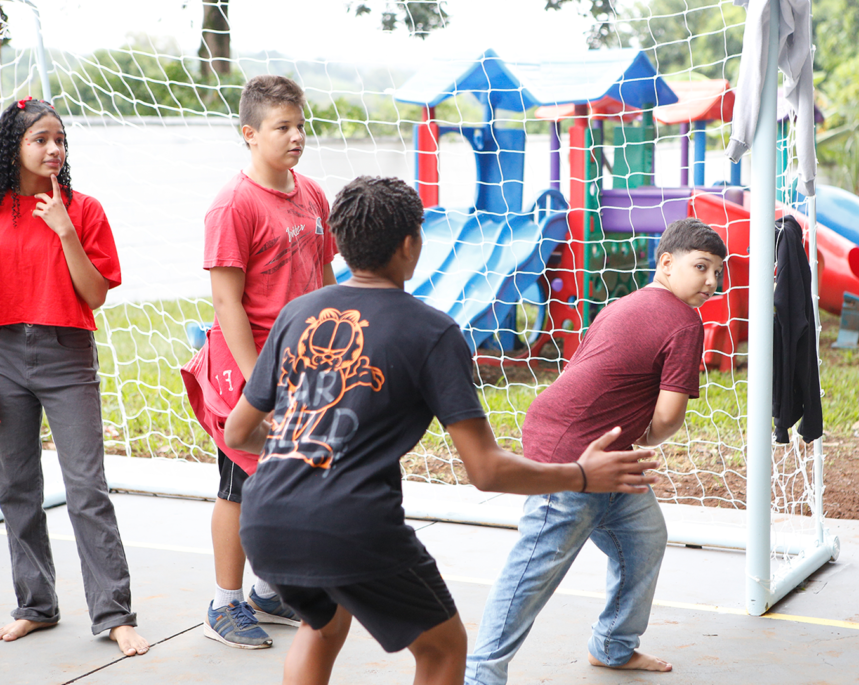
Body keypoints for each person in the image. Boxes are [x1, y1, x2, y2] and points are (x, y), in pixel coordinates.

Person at [221, 175, 659, 685]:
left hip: (266, 518)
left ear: (339, 243)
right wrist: (580, 475)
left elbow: (238, 433)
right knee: (444, 648)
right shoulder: (431, 331)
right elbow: (486, 471)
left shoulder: (297, 313)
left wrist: (307, 444)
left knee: (322, 624)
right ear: (411, 244)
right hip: (350, 524)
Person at [465, 217, 727, 684]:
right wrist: (647, 438)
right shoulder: (686, 322)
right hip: (572, 453)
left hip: (597, 449)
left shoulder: (623, 304)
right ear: (667, 263)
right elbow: (669, 417)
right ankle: (479, 675)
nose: (711, 281)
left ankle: (612, 646)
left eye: (717, 273)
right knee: (533, 570)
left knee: (644, 537)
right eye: (702, 267)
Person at [181, 75, 337, 649]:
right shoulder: (233, 204)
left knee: (288, 481)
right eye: (282, 127)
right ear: (249, 134)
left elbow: (324, 275)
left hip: (305, 369)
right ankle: (224, 604)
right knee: (239, 486)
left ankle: (269, 593)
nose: (296, 136)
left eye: (300, 125)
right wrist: (258, 384)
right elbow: (227, 303)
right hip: (247, 371)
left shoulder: (312, 193)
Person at [0, 97, 149, 656]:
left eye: (59, 139)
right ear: (13, 147)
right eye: (40, 139)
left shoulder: (84, 210)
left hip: (66, 355)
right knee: (15, 488)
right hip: (4, 355)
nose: (53, 149)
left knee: (86, 488)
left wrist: (65, 232)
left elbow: (95, 294)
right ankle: (35, 606)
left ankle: (114, 614)